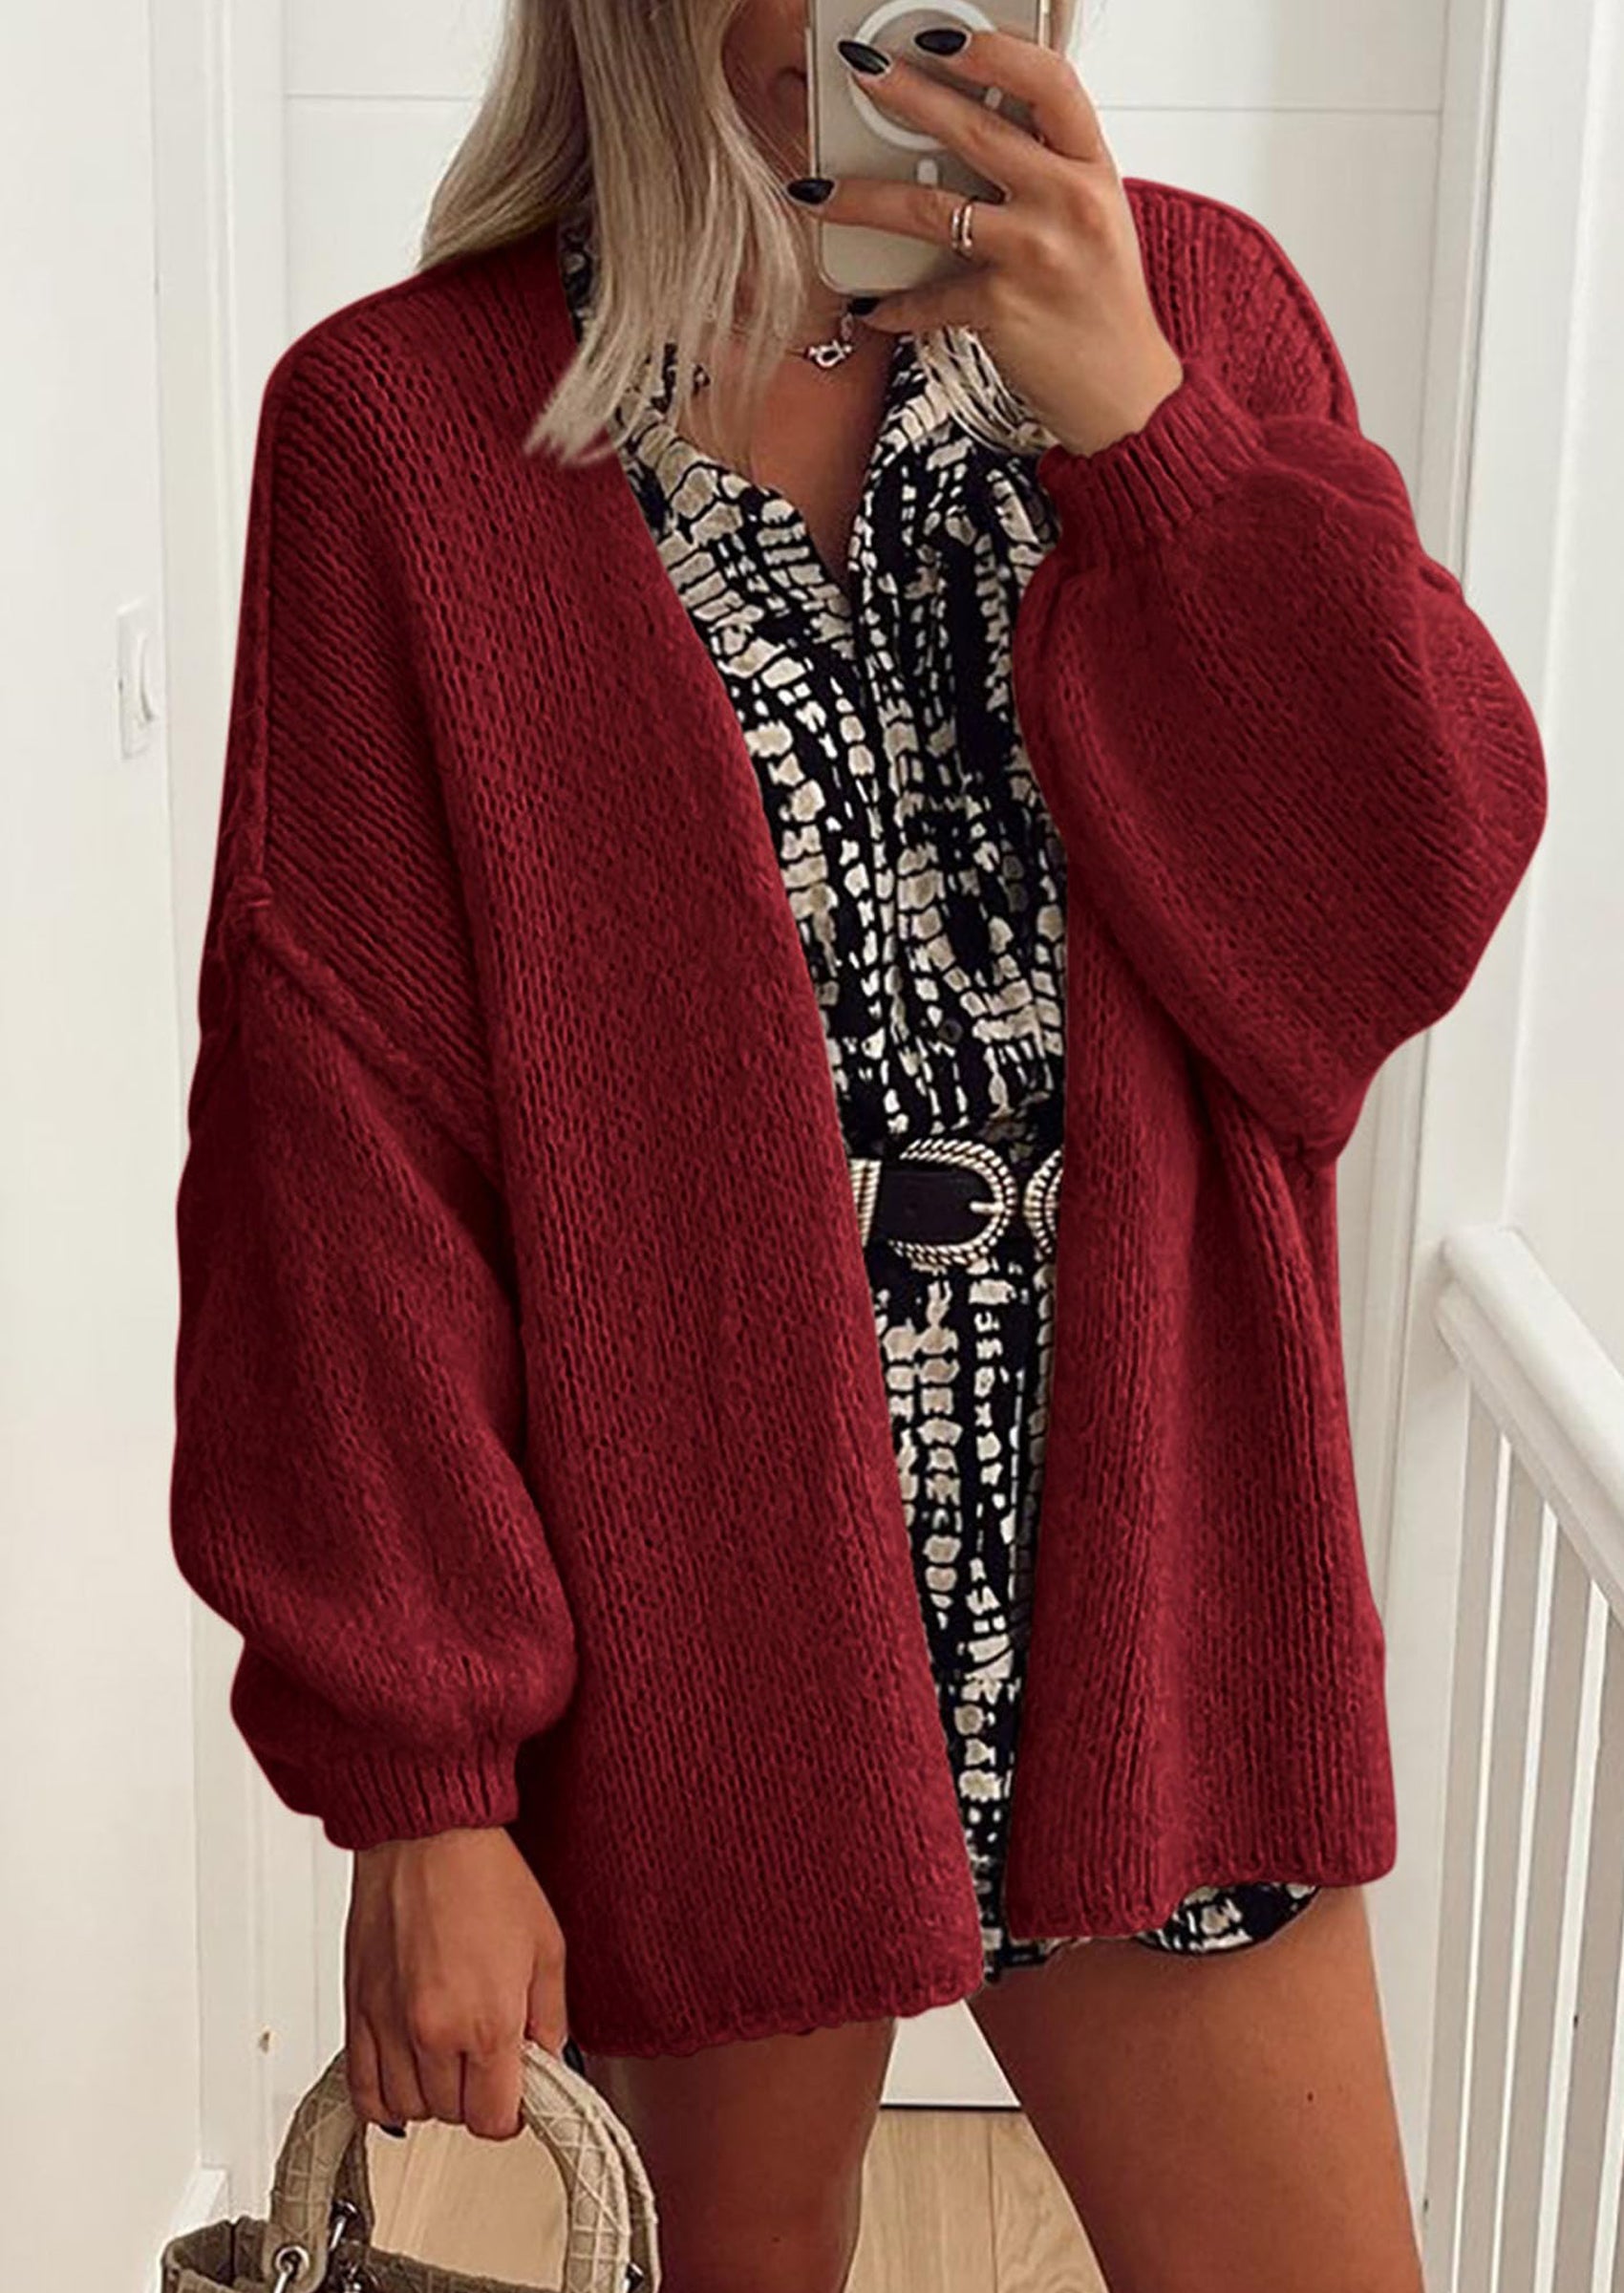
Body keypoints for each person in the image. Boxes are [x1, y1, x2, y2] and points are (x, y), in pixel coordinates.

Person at [168, 3, 1548, 2288]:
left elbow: (1394, 904)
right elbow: (341, 1147)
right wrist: (423, 1780)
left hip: (1145, 1555)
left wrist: (1143, 432)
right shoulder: (403, 425)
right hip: (694, 1598)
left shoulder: (1190, 311)